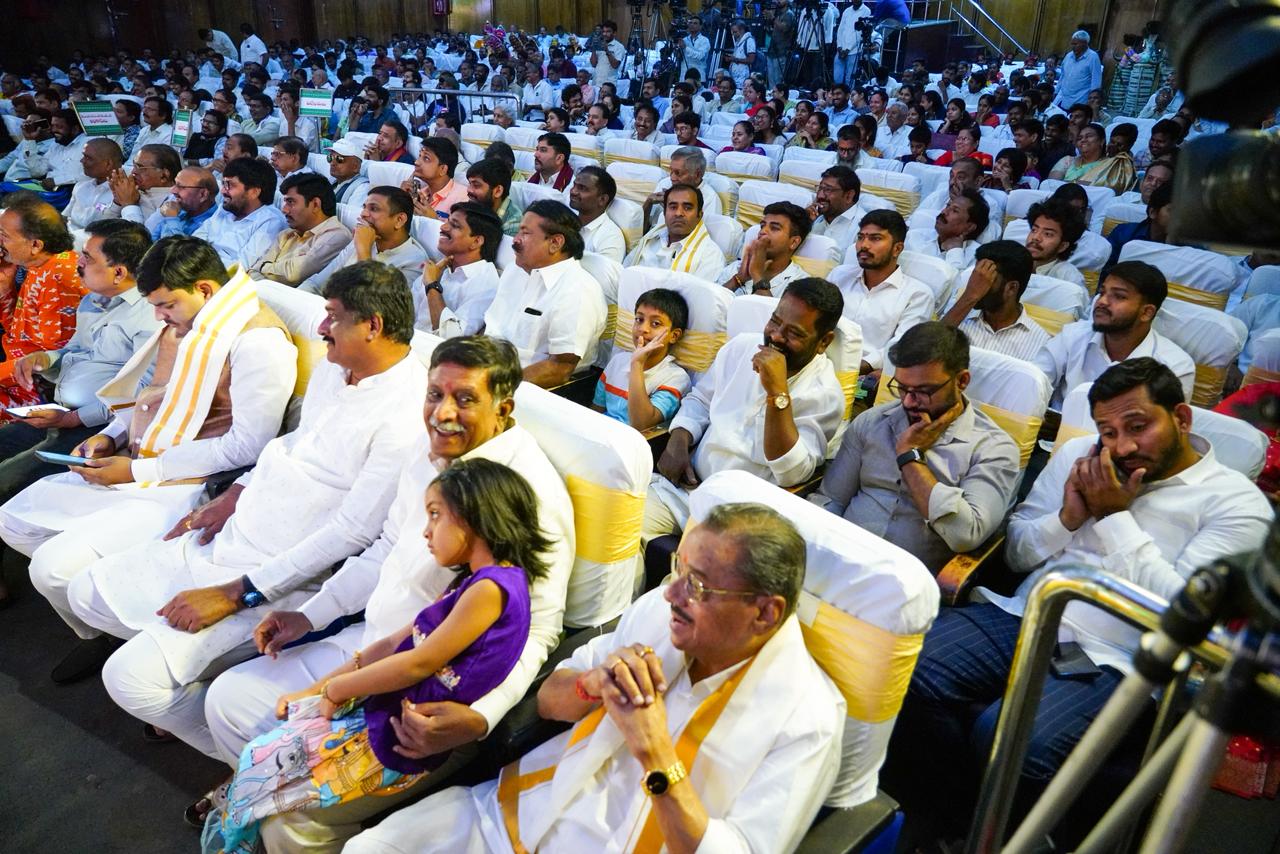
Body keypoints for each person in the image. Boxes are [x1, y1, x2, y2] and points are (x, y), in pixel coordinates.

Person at [202, 334, 576, 847]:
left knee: (294, 821)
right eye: (434, 395)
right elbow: (384, 549)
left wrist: (479, 719)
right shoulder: (429, 452)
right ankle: (261, 793)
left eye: (465, 399)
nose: (443, 414)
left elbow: (540, 629)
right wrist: (310, 615)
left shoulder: (530, 493)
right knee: (228, 702)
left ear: (503, 408)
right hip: (371, 644)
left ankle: (288, 808)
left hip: (434, 695)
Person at [889, 359, 1272, 833]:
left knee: (1007, 737)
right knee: (906, 668)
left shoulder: (1235, 504)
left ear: (1181, 418)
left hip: (1120, 657)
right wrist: (1066, 520)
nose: (1122, 447)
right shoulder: (1079, 456)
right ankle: (948, 822)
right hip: (1029, 615)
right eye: (1108, 432)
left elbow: (1184, 614)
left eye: (1138, 427)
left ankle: (986, 833)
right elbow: (1017, 554)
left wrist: (1114, 519)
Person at [206, 456, 549, 854]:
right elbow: (394, 643)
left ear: (474, 516)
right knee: (268, 749)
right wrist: (316, 691)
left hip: (405, 735)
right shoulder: (470, 583)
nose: (426, 531)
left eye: (435, 515)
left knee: (280, 778)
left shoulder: (491, 589)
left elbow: (419, 663)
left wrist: (337, 690)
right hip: (386, 704)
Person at [2, 236, 296, 683]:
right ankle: (100, 623)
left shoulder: (258, 342)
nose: (158, 316)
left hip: (187, 482)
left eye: (164, 305)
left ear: (204, 289)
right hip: (138, 459)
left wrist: (138, 470)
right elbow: (153, 397)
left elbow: (247, 446)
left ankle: (114, 635)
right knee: (13, 522)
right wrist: (109, 435)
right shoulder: (188, 321)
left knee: (53, 569)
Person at [644, 277, 845, 542]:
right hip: (687, 490)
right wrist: (678, 440)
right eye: (775, 321)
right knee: (616, 522)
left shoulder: (825, 395)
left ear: (823, 342)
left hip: (744, 520)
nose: (776, 336)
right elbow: (701, 400)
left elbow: (793, 473)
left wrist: (777, 394)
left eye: (794, 333)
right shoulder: (741, 347)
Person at [816, 321, 1019, 572]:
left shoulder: (994, 449)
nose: (909, 402)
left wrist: (909, 456)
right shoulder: (872, 422)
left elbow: (966, 534)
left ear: (962, 381)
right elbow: (831, 499)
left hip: (910, 578)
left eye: (923, 391)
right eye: (902, 388)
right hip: (840, 557)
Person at [0, 219, 159, 517]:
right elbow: (74, 351)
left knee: (8, 487)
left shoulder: (150, 316)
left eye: (87, 257)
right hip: (59, 414)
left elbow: (140, 395)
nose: (78, 263)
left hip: (99, 429)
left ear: (118, 272)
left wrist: (74, 419)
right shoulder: (93, 301)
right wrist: (45, 360)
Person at [1034, 260, 1195, 408]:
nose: (1102, 301)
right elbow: (1035, 382)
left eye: (1118, 296)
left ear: (1146, 312)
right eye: (1102, 292)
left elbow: (1162, 426)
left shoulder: (1175, 366)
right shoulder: (1073, 334)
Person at [483, 200, 608, 387]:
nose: (515, 240)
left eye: (525, 233)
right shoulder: (515, 270)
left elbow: (560, 368)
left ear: (555, 243)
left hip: (523, 387)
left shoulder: (578, 290)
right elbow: (491, 327)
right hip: (487, 367)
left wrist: (495, 386)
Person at [0, 199, 87, 412]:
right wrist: (5, 288)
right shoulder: (40, 266)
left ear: (35, 245)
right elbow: (20, 334)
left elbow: (51, 359)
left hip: (37, 387)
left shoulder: (58, 277)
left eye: (4, 236)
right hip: (14, 364)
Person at [829, 210, 934, 377]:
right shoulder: (839, 275)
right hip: (820, 360)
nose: (864, 245)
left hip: (864, 374)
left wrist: (853, 369)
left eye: (875, 238)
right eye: (861, 237)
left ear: (897, 249)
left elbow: (901, 346)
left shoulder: (917, 294)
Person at [592, 288, 692, 431]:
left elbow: (642, 425)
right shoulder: (618, 361)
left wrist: (637, 364)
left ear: (674, 335)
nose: (643, 329)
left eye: (655, 323)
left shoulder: (676, 378)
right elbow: (596, 411)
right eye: (639, 319)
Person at [301, 187, 427, 294]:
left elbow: (376, 306)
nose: (363, 213)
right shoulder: (362, 239)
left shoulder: (415, 262)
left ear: (399, 220)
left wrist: (364, 250)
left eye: (374, 209)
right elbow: (317, 283)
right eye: (364, 207)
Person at [417, 201, 502, 338]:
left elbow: (451, 337)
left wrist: (432, 286)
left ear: (476, 241)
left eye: (455, 225)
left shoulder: (485, 283)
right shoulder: (440, 267)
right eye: (447, 221)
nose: (443, 227)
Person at [248, 173, 350, 287]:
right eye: (285, 202)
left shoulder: (337, 236)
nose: (284, 210)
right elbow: (253, 271)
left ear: (315, 205)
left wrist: (263, 267)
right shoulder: (286, 234)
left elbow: (293, 275)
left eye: (290, 202)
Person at [194, 157, 288, 269]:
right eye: (223, 184)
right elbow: (195, 241)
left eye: (230, 185)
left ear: (253, 192)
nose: (223, 191)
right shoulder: (226, 208)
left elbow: (240, 268)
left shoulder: (271, 222)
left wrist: (197, 261)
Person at [626, 184, 725, 284]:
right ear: (664, 213)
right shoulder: (652, 236)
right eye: (673, 207)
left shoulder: (710, 255)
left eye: (687, 208)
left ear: (699, 215)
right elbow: (625, 270)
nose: (678, 213)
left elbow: (698, 293)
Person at [719, 201, 811, 297]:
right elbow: (712, 302)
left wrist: (757, 276)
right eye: (762, 226)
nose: (762, 232)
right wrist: (738, 279)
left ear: (794, 242)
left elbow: (772, 308)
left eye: (774, 228)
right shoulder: (737, 268)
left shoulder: (802, 285)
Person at [904, 188, 990, 270]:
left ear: (969, 227)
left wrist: (955, 252)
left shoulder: (976, 258)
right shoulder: (914, 237)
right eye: (947, 206)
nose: (944, 212)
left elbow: (955, 281)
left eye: (955, 211)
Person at [1048, 122, 1135, 194]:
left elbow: (1108, 191)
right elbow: (1050, 185)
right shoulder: (1068, 160)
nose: (1083, 140)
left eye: (1089, 136)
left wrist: (1070, 184)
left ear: (1102, 141)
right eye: (1079, 138)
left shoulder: (1113, 165)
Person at [400, 136, 469, 220]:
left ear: (443, 169)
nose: (416, 162)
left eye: (426, 158)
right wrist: (401, 198)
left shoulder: (462, 199)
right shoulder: (420, 192)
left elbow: (460, 228)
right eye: (419, 156)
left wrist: (434, 221)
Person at [65, 139, 123, 238]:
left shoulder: (123, 193)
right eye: (84, 156)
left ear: (108, 164)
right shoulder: (80, 186)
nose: (82, 161)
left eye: (88, 158)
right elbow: (65, 216)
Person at [1023, 198, 1086, 286]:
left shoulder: (1069, 279)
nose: (1035, 237)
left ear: (1062, 246)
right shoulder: (1012, 262)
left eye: (1047, 234)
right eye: (1034, 230)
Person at [647, 147, 723, 220]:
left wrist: (670, 207)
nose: (672, 178)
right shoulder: (665, 183)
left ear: (697, 175)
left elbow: (703, 229)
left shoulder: (710, 199)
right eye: (671, 171)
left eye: (678, 173)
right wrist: (648, 202)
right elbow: (644, 226)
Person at [569, 165, 625, 263]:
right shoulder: (565, 221)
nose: (573, 191)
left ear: (602, 199)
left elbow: (604, 273)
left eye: (582, 188)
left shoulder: (610, 238)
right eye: (574, 185)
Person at [148, 166, 220, 240]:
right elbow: (151, 241)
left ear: (203, 195)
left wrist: (171, 218)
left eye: (180, 186)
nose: (172, 190)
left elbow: (174, 247)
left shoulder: (212, 227)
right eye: (175, 184)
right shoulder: (181, 211)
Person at [464, 156, 521, 238]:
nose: (469, 190)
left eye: (476, 185)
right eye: (469, 184)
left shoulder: (513, 224)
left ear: (498, 191)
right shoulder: (474, 206)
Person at [807, 165, 863, 248]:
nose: (820, 195)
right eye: (820, 188)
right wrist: (804, 222)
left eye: (828, 190)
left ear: (849, 196)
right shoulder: (815, 218)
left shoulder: (862, 227)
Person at [1054, 30, 1103, 110]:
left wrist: (1092, 103)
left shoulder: (1093, 57)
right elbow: (1062, 76)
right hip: (1063, 100)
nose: (1073, 46)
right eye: (1072, 44)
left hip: (1081, 102)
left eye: (1076, 44)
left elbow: (1096, 82)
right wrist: (1056, 92)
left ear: (1085, 43)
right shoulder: (1068, 56)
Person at [723, 19, 758, 90]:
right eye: (732, 32)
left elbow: (751, 60)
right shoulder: (738, 41)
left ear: (742, 30)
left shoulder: (749, 41)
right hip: (735, 78)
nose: (733, 34)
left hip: (743, 78)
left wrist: (735, 59)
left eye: (735, 32)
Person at [590, 20, 626, 87]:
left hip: (609, 85)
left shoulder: (619, 47)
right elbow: (593, 64)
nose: (605, 34)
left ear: (614, 33)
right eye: (603, 31)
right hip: (596, 83)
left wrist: (606, 50)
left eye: (608, 32)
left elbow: (615, 65)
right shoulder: (598, 44)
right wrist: (594, 49)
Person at [679, 15, 711, 81]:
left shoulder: (705, 40)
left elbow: (700, 56)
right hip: (684, 77)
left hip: (698, 77)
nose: (692, 25)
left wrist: (685, 48)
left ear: (700, 26)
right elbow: (679, 57)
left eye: (695, 23)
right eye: (690, 23)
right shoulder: (684, 40)